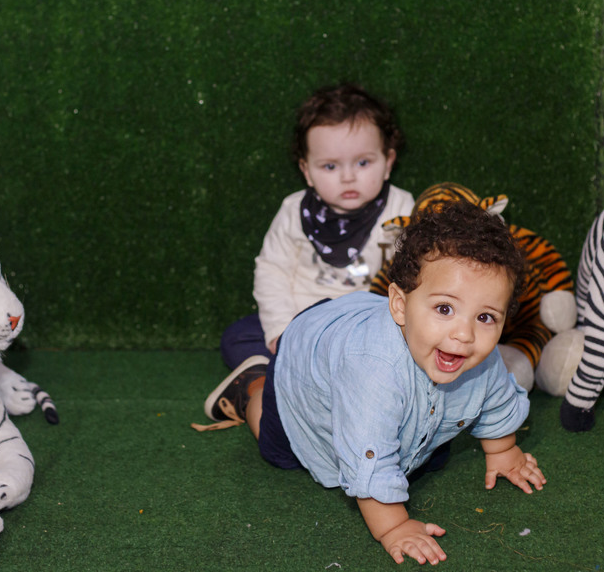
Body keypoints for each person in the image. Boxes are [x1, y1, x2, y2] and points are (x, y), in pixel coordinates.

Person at [196, 200, 546, 565]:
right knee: (278, 445)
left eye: (485, 317)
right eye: (445, 309)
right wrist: (394, 527)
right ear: (400, 305)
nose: (464, 334)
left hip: (363, 346)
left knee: (428, 458)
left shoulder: (477, 356)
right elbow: (370, 461)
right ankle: (251, 386)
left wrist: (503, 451)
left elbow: (496, 400)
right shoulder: (373, 371)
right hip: (308, 360)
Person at [220, 83, 415, 370]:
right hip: (301, 321)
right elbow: (272, 270)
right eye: (330, 166)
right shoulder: (294, 210)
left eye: (363, 162)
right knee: (238, 336)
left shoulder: (402, 209)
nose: (348, 177)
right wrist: (280, 329)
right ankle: (261, 382)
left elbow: (417, 273)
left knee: (411, 342)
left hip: (368, 326)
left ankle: (331, 375)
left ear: (388, 162)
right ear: (307, 171)